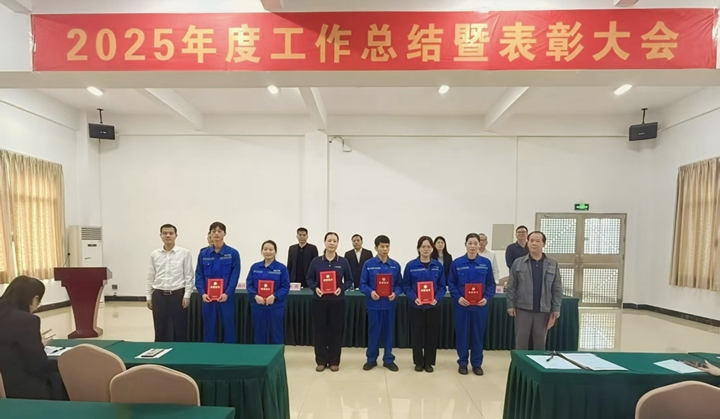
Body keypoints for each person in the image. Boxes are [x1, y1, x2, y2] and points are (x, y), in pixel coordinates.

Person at [0, 276, 57, 400]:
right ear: (35, 299)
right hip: (18, 388)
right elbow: (39, 365)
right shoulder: (27, 320)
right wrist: (39, 346)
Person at [448, 233, 496, 376]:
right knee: (462, 335)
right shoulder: (457, 263)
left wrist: (486, 298)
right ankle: (462, 363)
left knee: (477, 336)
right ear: (465, 245)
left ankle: (477, 364)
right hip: (462, 307)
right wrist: (458, 298)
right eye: (470, 243)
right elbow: (451, 283)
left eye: (475, 243)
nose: (473, 246)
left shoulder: (486, 263)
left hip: (479, 307)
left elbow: (491, 284)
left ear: (479, 245)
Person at [506, 231, 562, 351]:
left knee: (539, 343)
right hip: (523, 308)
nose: (534, 243)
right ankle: (520, 363)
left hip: (543, 309)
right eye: (531, 241)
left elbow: (557, 287)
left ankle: (538, 363)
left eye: (537, 241)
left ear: (543, 244)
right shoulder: (518, 262)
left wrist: (556, 308)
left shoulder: (552, 264)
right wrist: (510, 305)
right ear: (527, 243)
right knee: (521, 342)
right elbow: (511, 286)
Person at [306, 232, 354, 372]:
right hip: (319, 301)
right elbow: (309, 278)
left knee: (336, 331)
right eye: (329, 240)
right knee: (319, 331)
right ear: (325, 242)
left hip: (337, 301)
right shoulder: (316, 261)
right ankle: (321, 361)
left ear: (337, 243)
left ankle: (334, 361)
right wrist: (315, 288)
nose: (332, 243)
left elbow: (350, 280)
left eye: (334, 241)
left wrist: (341, 288)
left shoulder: (343, 262)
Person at [402, 236, 446, 373]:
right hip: (416, 306)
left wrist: (437, 298)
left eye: (428, 247)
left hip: (433, 306)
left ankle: (428, 362)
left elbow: (442, 286)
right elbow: (406, 285)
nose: (426, 249)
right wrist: (414, 298)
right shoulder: (411, 266)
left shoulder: (438, 266)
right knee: (416, 334)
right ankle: (418, 362)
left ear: (432, 249)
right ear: (418, 248)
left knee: (431, 335)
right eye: (423, 247)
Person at [360, 235, 403, 372]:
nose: (385, 249)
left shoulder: (395, 265)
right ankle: (371, 359)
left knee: (388, 333)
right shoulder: (368, 264)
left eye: (387, 246)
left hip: (389, 305)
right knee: (374, 332)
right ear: (376, 248)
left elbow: (400, 285)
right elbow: (362, 285)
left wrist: (395, 293)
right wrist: (371, 292)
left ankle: (388, 359)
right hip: (373, 305)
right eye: (382, 246)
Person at [146, 224, 194, 342]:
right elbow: (150, 276)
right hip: (159, 295)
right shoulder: (155, 254)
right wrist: (149, 296)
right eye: (165, 233)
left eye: (171, 233)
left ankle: (180, 352)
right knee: (160, 328)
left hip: (177, 294)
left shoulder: (184, 253)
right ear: (160, 235)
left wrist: (187, 295)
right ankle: (160, 351)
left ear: (176, 235)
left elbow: (189, 275)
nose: (168, 236)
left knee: (180, 328)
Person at [195, 222, 241, 343]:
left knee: (228, 326)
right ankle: (210, 352)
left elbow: (234, 276)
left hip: (226, 298)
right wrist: (202, 293)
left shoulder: (233, 253)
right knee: (209, 327)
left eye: (219, 231)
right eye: (213, 231)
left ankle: (229, 352)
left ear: (224, 233)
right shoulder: (203, 254)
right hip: (208, 299)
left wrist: (227, 293)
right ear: (210, 234)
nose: (216, 234)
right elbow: (199, 275)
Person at [246, 240, 290, 344]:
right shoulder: (255, 267)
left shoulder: (281, 268)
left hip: (275, 307)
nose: (268, 252)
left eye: (271, 249)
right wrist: (255, 296)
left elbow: (285, 286)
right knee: (259, 334)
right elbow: (249, 284)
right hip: (258, 306)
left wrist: (275, 296)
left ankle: (277, 354)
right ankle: (259, 354)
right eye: (265, 249)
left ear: (275, 251)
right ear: (261, 251)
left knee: (276, 334)